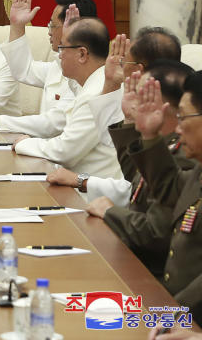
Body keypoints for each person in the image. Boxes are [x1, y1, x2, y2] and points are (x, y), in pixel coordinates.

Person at [78, 64, 195, 278]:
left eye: (142, 95)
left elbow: (156, 234)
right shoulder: (163, 146)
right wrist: (132, 122)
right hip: (135, 258)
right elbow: (135, 178)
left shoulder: (185, 156)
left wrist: (110, 212)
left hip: (150, 273)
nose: (134, 100)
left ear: (164, 105)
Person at [0, 0, 97, 134]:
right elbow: (22, 70)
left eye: (53, 25)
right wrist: (17, 26)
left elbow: (55, 122)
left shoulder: (88, 75)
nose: (49, 32)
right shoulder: (57, 67)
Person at [125, 71, 202, 322]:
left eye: (183, 117)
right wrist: (149, 136)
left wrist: (168, 315)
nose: (177, 127)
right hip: (169, 304)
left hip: (186, 316)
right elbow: (169, 188)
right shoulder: (199, 168)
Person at [12, 18, 123, 179]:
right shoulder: (95, 82)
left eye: (62, 48)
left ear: (82, 54)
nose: (59, 55)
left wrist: (24, 143)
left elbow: (65, 151)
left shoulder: (96, 92)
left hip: (89, 195)